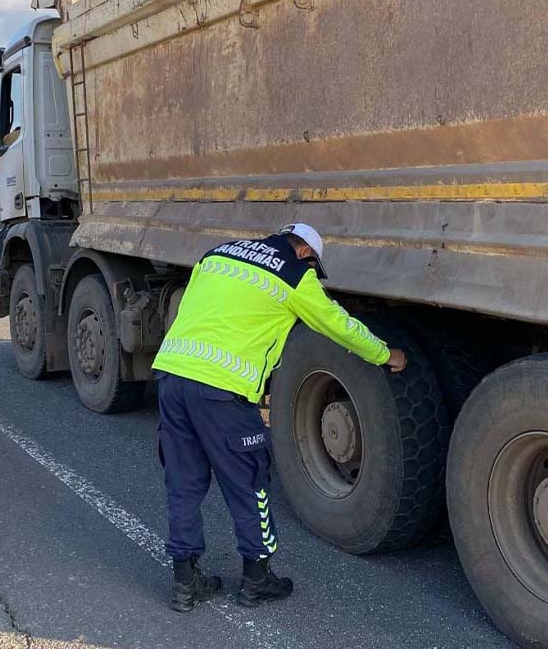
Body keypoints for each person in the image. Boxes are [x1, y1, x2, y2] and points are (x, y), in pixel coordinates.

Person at [152, 223, 406, 612]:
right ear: (305, 253)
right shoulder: (293, 274)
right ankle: (256, 582)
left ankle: (186, 584)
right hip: (222, 391)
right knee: (249, 483)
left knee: (183, 484)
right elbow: (338, 324)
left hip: (172, 375)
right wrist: (385, 354)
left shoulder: (219, 253)